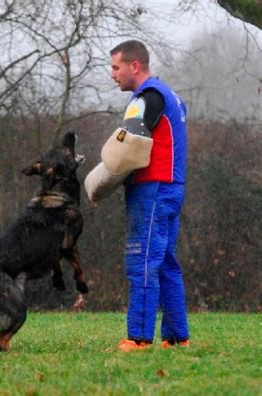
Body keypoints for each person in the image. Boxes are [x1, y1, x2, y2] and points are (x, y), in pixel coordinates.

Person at [109, 40, 190, 351]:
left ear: (135, 66)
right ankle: (177, 336)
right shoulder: (172, 96)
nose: (113, 74)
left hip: (152, 188)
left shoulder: (147, 97)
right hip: (172, 186)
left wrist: (103, 178)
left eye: (116, 67)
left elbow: (126, 143)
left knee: (142, 260)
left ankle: (139, 337)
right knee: (166, 262)